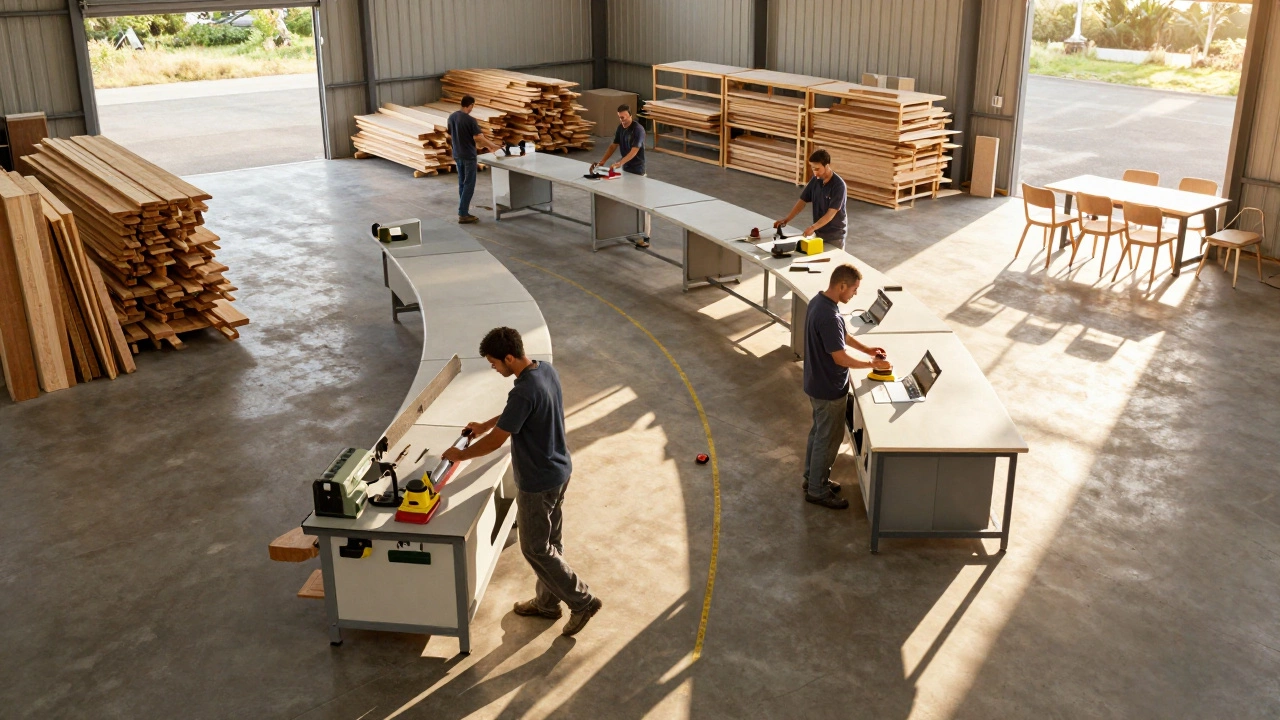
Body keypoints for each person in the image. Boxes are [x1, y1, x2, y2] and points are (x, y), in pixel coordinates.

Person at [443, 327, 603, 636]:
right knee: (551, 542)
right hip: (559, 470)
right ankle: (547, 604)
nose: (493, 368)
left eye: (494, 363)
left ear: (509, 357)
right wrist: (484, 425)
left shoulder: (522, 391)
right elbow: (516, 414)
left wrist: (457, 456)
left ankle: (582, 601)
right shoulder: (544, 371)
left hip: (538, 480)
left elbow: (495, 443)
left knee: (535, 548)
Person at [801, 264, 890, 509]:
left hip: (815, 382)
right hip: (828, 389)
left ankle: (812, 479)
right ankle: (817, 491)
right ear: (841, 286)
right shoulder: (829, 316)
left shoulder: (820, 303)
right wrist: (872, 364)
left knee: (819, 433)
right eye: (854, 289)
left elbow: (842, 336)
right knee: (828, 439)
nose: (855, 294)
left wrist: (867, 349)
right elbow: (839, 357)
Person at [592, 105, 651, 247]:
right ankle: (631, 231)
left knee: (641, 204)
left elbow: (634, 151)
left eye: (624, 117)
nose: (622, 120)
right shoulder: (620, 128)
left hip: (637, 171)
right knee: (627, 201)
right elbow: (613, 145)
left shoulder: (638, 130)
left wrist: (619, 163)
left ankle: (646, 236)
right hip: (626, 170)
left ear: (630, 115)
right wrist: (603, 161)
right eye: (620, 117)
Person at [773, 149, 849, 250]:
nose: (815, 173)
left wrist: (813, 228)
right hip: (818, 232)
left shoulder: (839, 186)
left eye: (817, 169)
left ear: (826, 166)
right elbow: (802, 201)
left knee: (833, 264)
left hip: (834, 236)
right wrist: (787, 219)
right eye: (813, 169)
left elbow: (831, 213)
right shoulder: (815, 180)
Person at [447, 95, 503, 225]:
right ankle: (463, 213)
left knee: (462, 182)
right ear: (470, 105)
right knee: (469, 184)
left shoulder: (452, 117)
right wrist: (493, 146)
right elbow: (478, 138)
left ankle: (463, 208)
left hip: (457, 154)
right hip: (468, 155)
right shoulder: (470, 120)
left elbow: (452, 134)